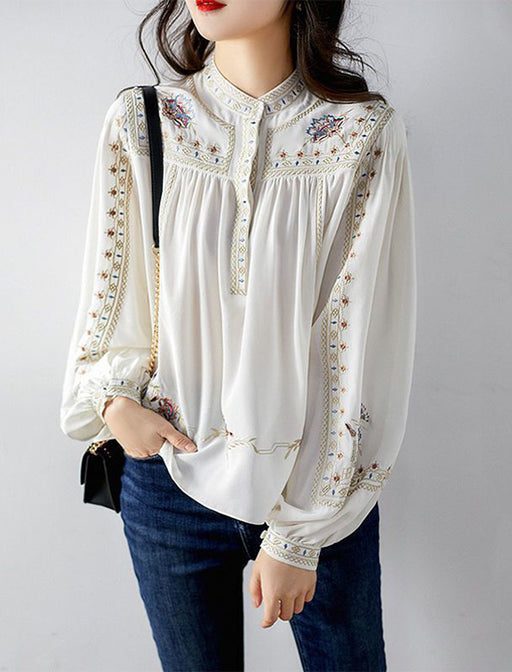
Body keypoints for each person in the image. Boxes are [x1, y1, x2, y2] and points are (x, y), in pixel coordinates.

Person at [59, 0, 417, 669]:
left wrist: (298, 534)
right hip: (165, 481)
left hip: (317, 488)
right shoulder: (144, 121)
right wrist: (112, 401)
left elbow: (361, 338)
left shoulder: (361, 134)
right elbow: (112, 298)